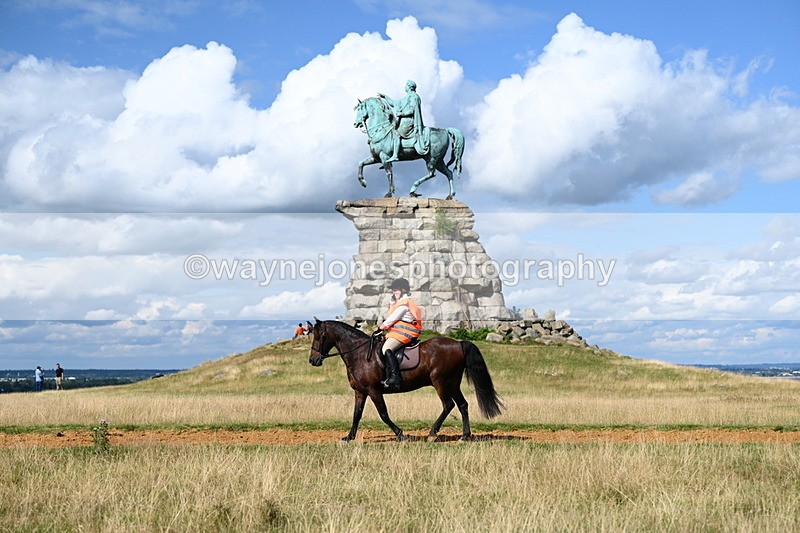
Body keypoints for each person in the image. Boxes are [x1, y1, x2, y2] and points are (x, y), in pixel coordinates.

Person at [378, 278, 423, 389]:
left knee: (386, 348)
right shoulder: (401, 303)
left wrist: (381, 327)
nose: (394, 293)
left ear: (403, 290)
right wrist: (392, 304)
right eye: (393, 291)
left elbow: (392, 318)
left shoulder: (404, 304)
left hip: (405, 333)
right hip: (400, 333)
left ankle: (395, 377)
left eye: (396, 290)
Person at [377, 80, 430, 163]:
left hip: (409, 122)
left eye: (406, 85)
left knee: (396, 133)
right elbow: (394, 103)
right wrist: (385, 97)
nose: (404, 87)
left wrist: (402, 113)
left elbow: (412, 110)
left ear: (409, 87)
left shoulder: (414, 97)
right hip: (403, 122)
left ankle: (395, 155)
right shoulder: (406, 98)